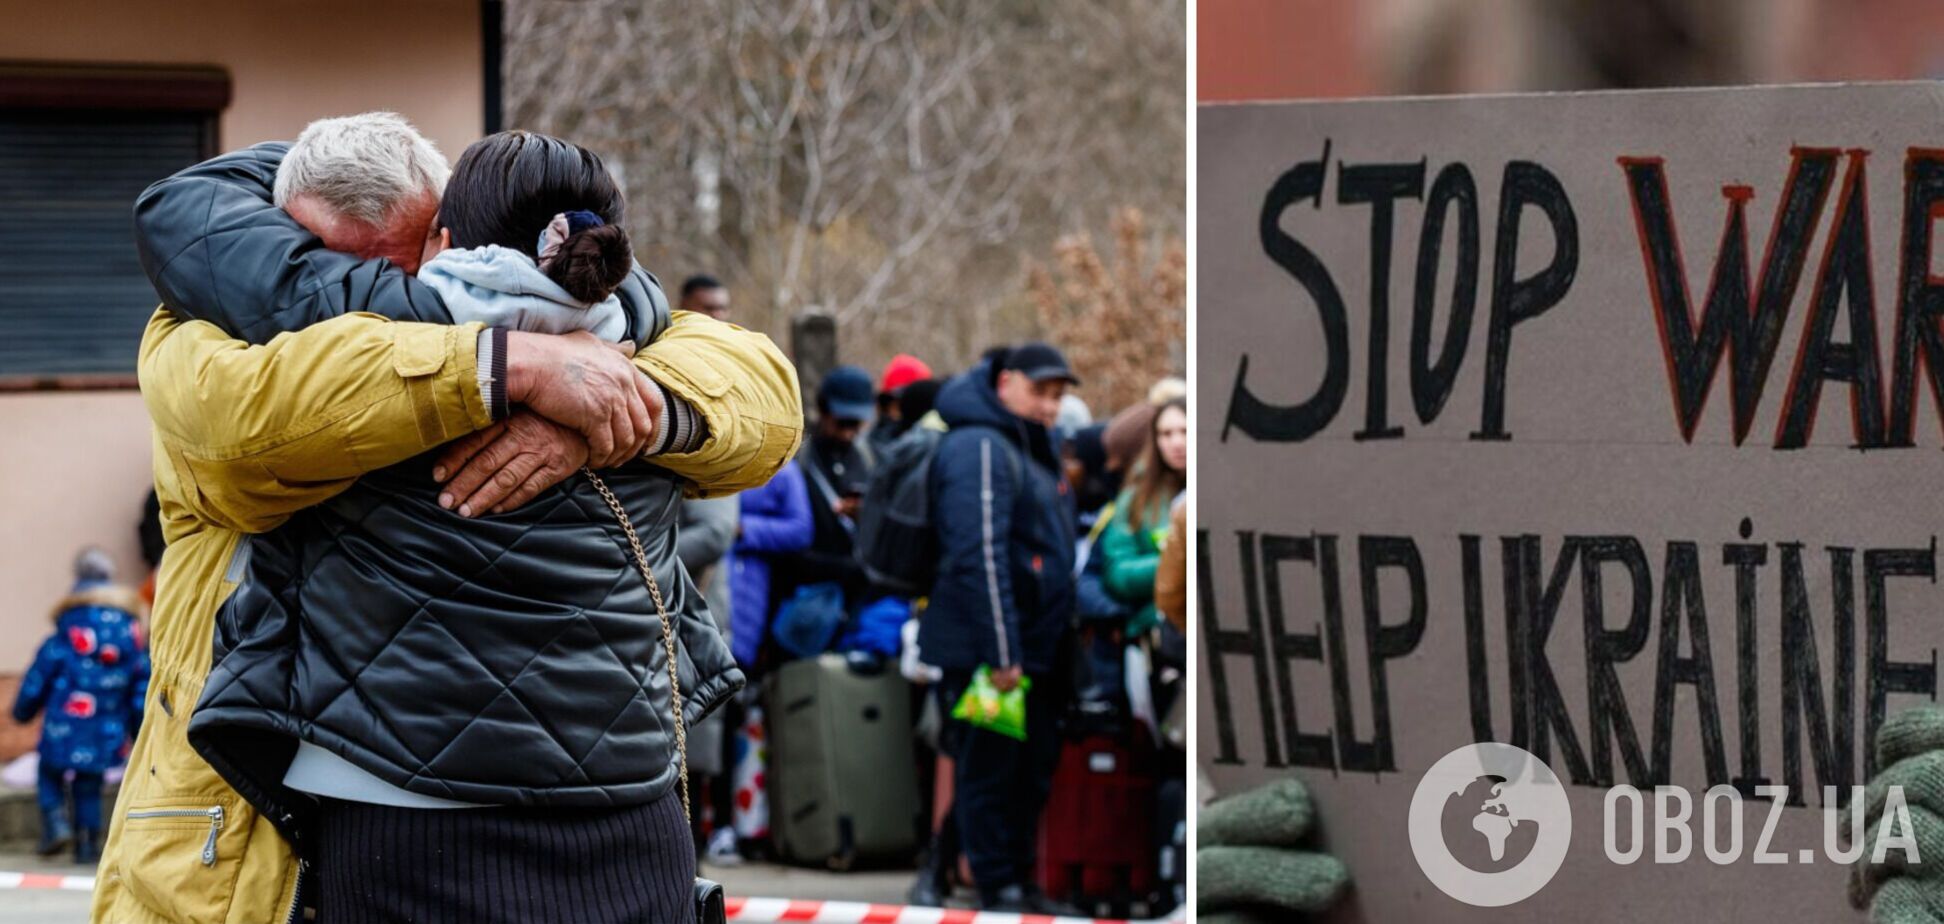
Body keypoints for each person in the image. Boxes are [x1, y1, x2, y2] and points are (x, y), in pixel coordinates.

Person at [96, 116, 802, 924]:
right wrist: (507, 368)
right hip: (242, 834)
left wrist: (605, 416)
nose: (399, 297)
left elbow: (767, 401)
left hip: (531, 821)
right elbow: (239, 439)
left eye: (409, 259)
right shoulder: (211, 332)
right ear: (278, 245)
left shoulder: (600, 335)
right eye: (336, 261)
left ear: (444, 232)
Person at [917, 342, 1081, 914]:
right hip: (993, 654)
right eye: (1041, 392)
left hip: (1032, 649)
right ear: (1006, 382)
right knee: (992, 776)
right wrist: (1003, 652)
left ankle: (1004, 882)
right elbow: (978, 553)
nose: (1051, 407)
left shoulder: (1026, 443)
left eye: (1059, 396)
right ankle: (999, 891)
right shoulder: (979, 446)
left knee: (1022, 774)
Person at [12, 549, 149, 864]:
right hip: (106, 729)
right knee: (89, 783)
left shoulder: (66, 632)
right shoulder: (131, 639)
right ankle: (87, 845)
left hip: (64, 724)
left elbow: (40, 674)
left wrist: (24, 710)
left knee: (48, 772)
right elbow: (141, 687)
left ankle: (56, 823)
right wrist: (139, 728)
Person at [780, 365, 878, 613]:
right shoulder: (798, 459)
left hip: (856, 598)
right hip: (803, 598)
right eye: (842, 422)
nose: (848, 433)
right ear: (823, 411)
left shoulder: (868, 458)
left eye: (855, 424)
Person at [677, 495, 739, 863]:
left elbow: (716, 530)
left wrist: (637, 553)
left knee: (690, 764)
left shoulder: (707, 447)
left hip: (687, 625)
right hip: (672, 616)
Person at [1099, 396, 1188, 637]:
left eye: (1185, 431)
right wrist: (1174, 563)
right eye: (1166, 434)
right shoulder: (1137, 496)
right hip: (1156, 626)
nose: (1177, 442)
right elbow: (1117, 572)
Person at [867, 353, 932, 459]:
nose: (894, 414)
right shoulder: (867, 445)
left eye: (903, 406)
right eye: (889, 405)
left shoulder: (929, 445)